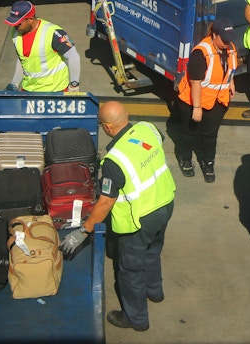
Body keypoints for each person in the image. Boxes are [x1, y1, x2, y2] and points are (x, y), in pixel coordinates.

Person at [60, 101, 176, 332]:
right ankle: (155, 291)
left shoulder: (114, 161)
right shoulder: (147, 129)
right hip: (164, 204)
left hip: (138, 220)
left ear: (107, 127)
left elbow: (105, 202)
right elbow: (154, 145)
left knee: (130, 270)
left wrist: (85, 230)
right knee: (153, 251)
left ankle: (136, 318)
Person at [175, 17, 238, 182]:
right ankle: (185, 159)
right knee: (189, 133)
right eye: (224, 39)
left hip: (218, 101)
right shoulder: (201, 52)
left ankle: (208, 162)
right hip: (193, 102)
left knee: (210, 135)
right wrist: (197, 107)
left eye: (229, 40)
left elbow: (229, 67)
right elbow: (196, 82)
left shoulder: (230, 48)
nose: (227, 43)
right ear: (214, 35)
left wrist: (231, 82)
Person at [4, 0, 81, 92]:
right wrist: (15, 83)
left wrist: (74, 84)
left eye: (19, 23)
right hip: (29, 89)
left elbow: (73, 57)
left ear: (31, 20)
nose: (15, 26)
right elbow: (23, 60)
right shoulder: (16, 33)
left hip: (54, 91)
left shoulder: (53, 33)